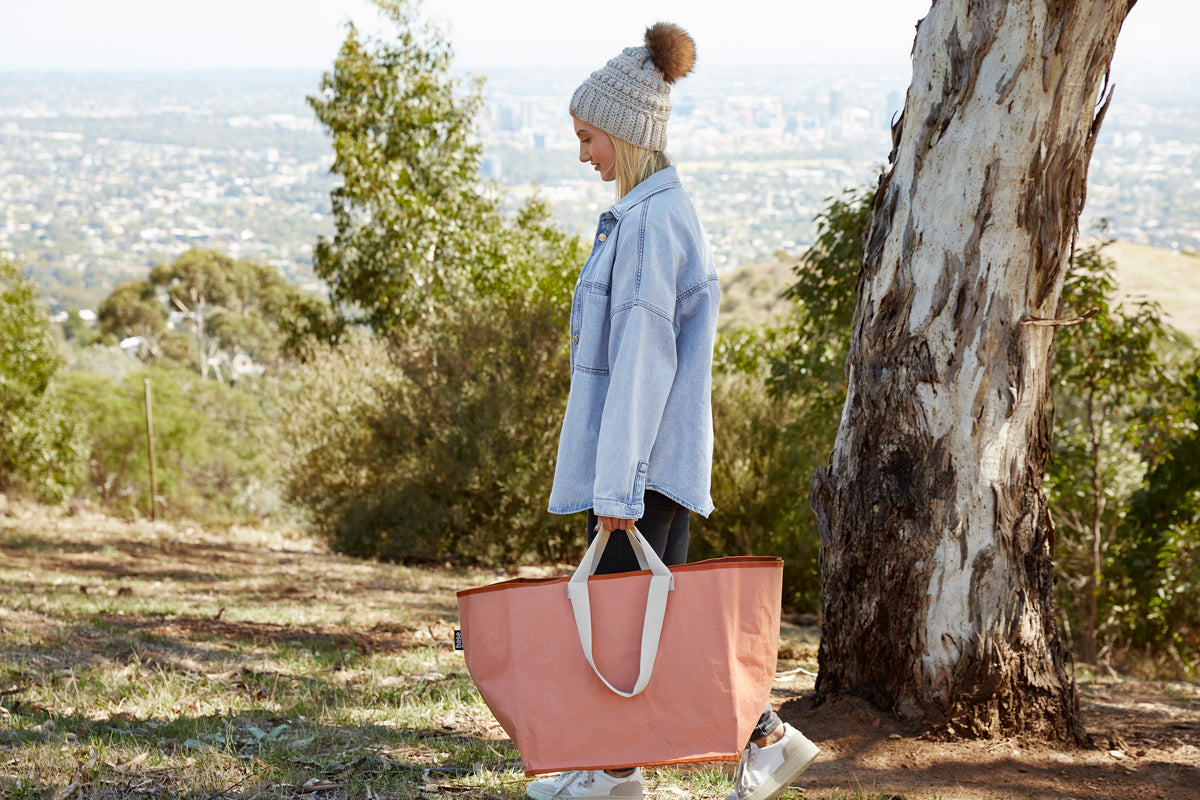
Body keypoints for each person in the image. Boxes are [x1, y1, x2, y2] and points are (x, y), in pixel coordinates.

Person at [528, 21, 820, 800]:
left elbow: (641, 370)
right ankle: (737, 746)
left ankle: (624, 770)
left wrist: (617, 492)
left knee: (623, 623)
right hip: (652, 462)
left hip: (642, 465)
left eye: (587, 137)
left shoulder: (654, 225)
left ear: (623, 135)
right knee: (654, 621)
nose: (582, 152)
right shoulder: (651, 216)